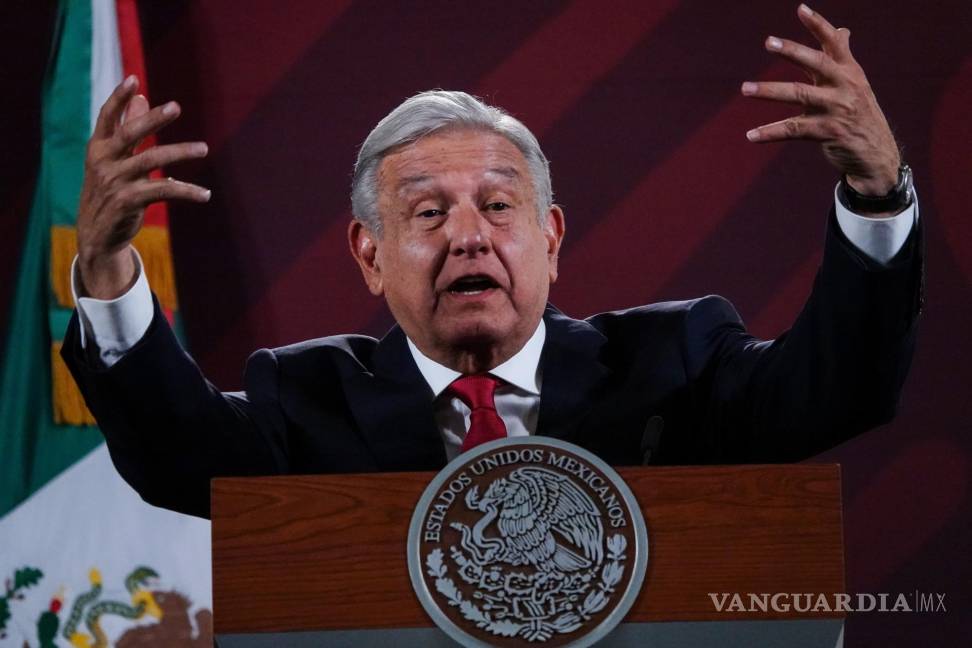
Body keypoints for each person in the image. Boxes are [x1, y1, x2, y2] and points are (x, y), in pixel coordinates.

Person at [64, 5, 921, 518]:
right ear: (369, 254)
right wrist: (104, 269)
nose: (469, 236)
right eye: (428, 212)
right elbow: (174, 456)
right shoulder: (305, 400)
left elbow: (841, 387)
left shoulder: (677, 363)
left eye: (499, 206)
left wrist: (879, 195)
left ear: (550, 237)